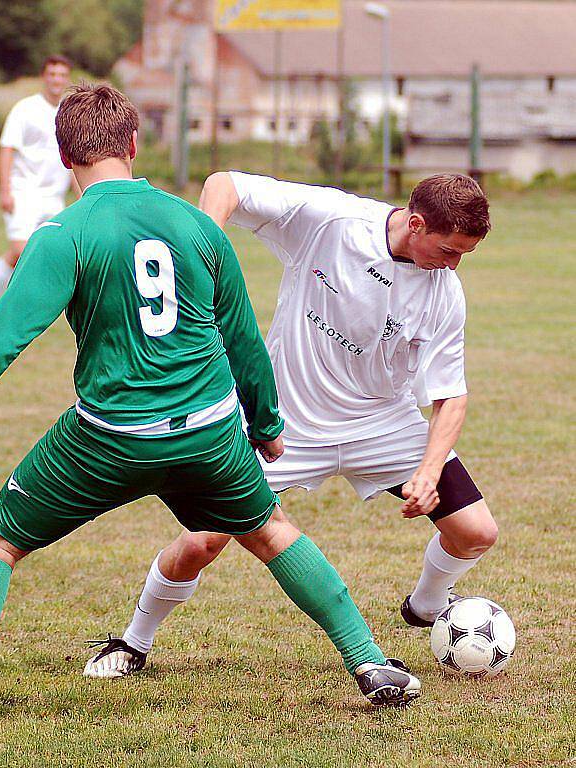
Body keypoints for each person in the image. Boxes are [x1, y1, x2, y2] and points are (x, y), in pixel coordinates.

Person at [0, 85, 420, 732]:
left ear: (66, 157)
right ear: (132, 146)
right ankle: (371, 663)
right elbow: (241, 338)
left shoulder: (64, 234)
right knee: (270, 532)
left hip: (110, 437)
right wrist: (264, 426)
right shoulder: (196, 226)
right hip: (210, 431)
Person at [84, 171, 498, 680]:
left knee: (476, 532)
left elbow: (449, 395)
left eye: (464, 255)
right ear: (416, 223)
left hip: (382, 425)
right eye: (450, 249)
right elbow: (225, 185)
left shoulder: (444, 292)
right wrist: (198, 255)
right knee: (201, 543)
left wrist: (430, 470)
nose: (454, 264)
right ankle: (132, 641)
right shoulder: (333, 221)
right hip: (284, 426)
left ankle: (426, 605)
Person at [0, 54, 79, 320]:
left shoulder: (68, 113)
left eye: (61, 75)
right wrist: (5, 191)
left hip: (53, 197)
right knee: (20, 251)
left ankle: (28, 310)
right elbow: (6, 149)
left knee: (51, 254)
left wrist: (82, 196)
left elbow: (73, 159)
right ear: (43, 77)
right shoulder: (25, 109)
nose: (57, 80)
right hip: (24, 193)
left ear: (67, 79)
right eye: (52, 74)